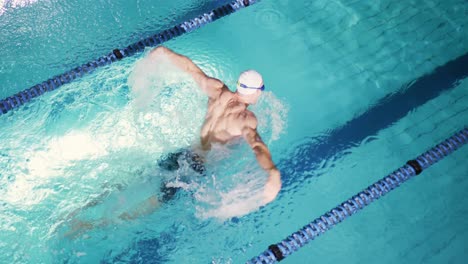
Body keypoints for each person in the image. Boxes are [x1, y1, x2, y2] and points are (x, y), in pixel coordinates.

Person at [62, 47, 281, 237]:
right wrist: (271, 171)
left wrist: (164, 53)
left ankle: (77, 211)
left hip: (182, 153)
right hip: (194, 168)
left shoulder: (217, 90)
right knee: (153, 205)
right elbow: (256, 144)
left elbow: (189, 67)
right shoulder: (245, 118)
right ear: (255, 93)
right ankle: (91, 227)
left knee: (135, 179)